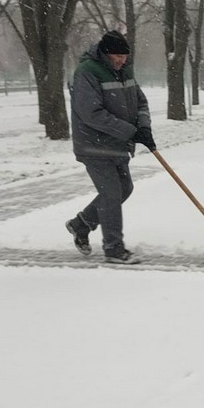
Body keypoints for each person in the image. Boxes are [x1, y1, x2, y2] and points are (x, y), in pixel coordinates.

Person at [65, 30, 156, 264]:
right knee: (111, 194)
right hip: (94, 146)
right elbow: (91, 113)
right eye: (117, 56)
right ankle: (113, 248)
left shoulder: (125, 71)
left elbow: (141, 101)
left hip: (117, 144)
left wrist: (143, 127)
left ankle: (81, 224)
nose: (121, 60)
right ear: (105, 53)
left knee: (124, 188)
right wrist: (129, 131)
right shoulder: (87, 73)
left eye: (124, 56)